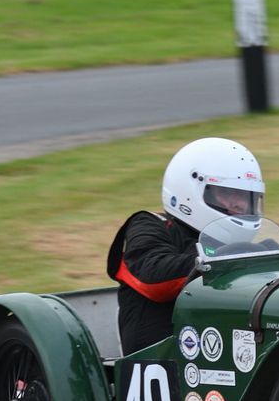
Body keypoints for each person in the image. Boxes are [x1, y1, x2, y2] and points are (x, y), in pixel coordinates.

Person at [106, 137, 265, 355]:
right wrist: (225, 260)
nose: (239, 204)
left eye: (246, 196)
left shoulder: (239, 247)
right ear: (190, 190)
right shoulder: (148, 224)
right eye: (228, 193)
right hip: (161, 365)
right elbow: (153, 278)